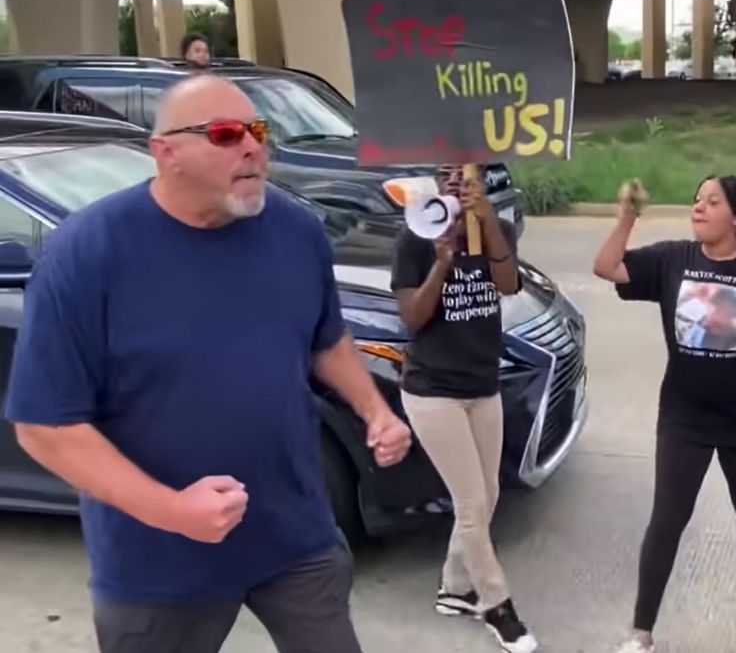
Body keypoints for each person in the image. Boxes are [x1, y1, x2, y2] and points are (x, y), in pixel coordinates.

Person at [4, 75, 413, 653]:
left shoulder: (296, 233)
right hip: (158, 560)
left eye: (258, 130)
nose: (252, 146)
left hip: (294, 533)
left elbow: (326, 338)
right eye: (224, 133)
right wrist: (172, 511)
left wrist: (374, 410)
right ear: (165, 152)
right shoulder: (88, 253)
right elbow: (45, 426)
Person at [593, 175, 736, 652]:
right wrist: (627, 218)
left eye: (712, 202)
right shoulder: (674, 258)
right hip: (684, 417)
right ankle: (641, 633)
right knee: (667, 519)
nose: (698, 207)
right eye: (696, 199)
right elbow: (606, 267)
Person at [390, 164, 535, 653]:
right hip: (433, 391)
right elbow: (413, 317)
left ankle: (454, 588)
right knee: (471, 505)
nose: (456, 182)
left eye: (465, 174)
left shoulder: (494, 228)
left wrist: (487, 219)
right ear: (435, 181)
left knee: (488, 494)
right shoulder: (414, 236)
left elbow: (509, 283)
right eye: (447, 175)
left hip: (482, 384)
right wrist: (442, 261)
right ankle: (497, 605)